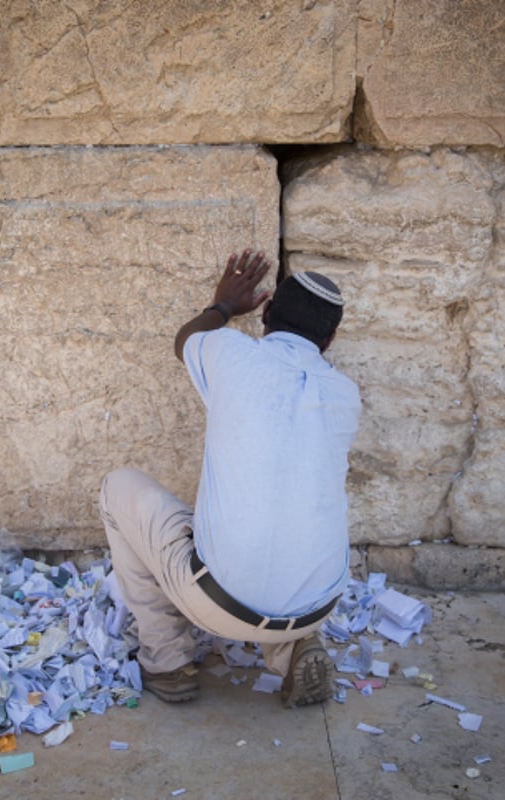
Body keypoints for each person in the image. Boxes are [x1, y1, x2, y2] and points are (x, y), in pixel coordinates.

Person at [100, 249, 361, 708]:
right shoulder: (345, 394)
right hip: (317, 607)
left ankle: (168, 661)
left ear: (263, 313)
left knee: (118, 489)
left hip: (217, 606)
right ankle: (294, 645)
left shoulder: (230, 351)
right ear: (333, 338)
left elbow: (186, 339)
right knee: (282, 527)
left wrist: (221, 306)